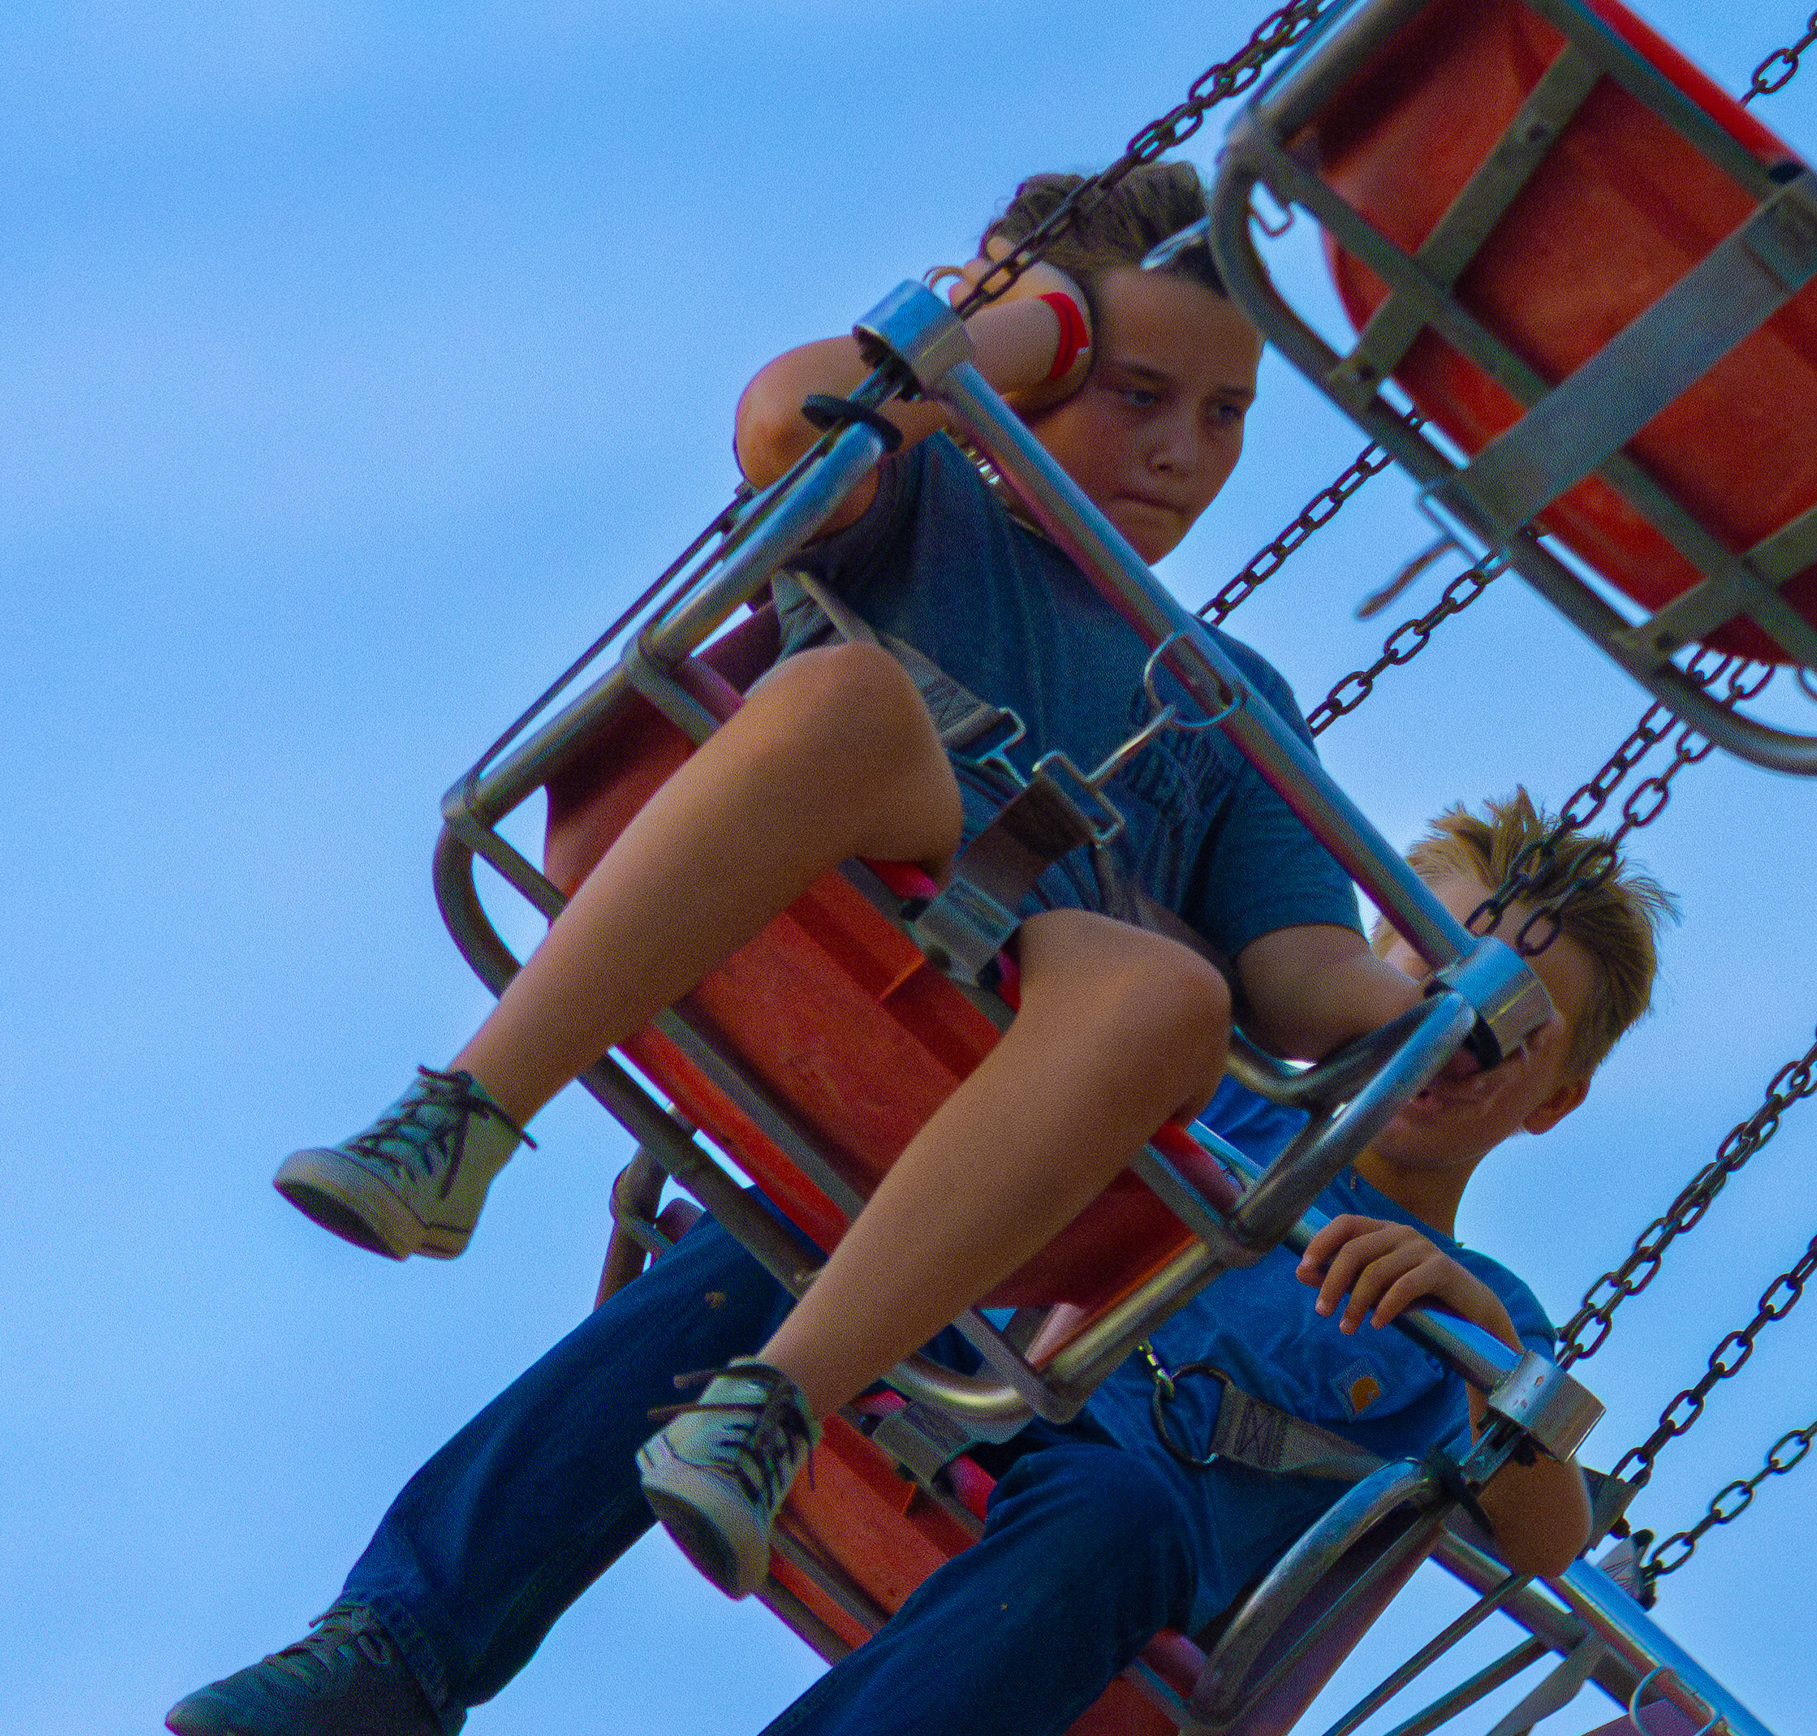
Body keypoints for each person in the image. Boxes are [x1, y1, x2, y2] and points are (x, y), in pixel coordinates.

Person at [171, 793, 1674, 1736]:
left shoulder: (1481, 1322)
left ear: (1558, 1097)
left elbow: (1545, 1531)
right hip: (913, 1378)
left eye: (1520, 1026)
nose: (1459, 1029)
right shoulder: (1196, 1080)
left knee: (1111, 1519)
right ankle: (400, 1652)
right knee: (800, 1229)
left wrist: (1483, 1341)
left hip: (1106, 1542)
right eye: (1434, 964)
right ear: (1360, 958)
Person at [265, 164, 1457, 1598]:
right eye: (1135, 391)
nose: (1184, 455)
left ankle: (773, 1408)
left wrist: (1438, 993)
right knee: (852, 702)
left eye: (1225, 415)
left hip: (985, 1052)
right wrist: (1015, 325)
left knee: (1167, 989)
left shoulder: (1223, 695)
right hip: (804, 925)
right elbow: (784, 420)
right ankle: (461, 1121)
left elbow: (1303, 981)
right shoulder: (921, 493)